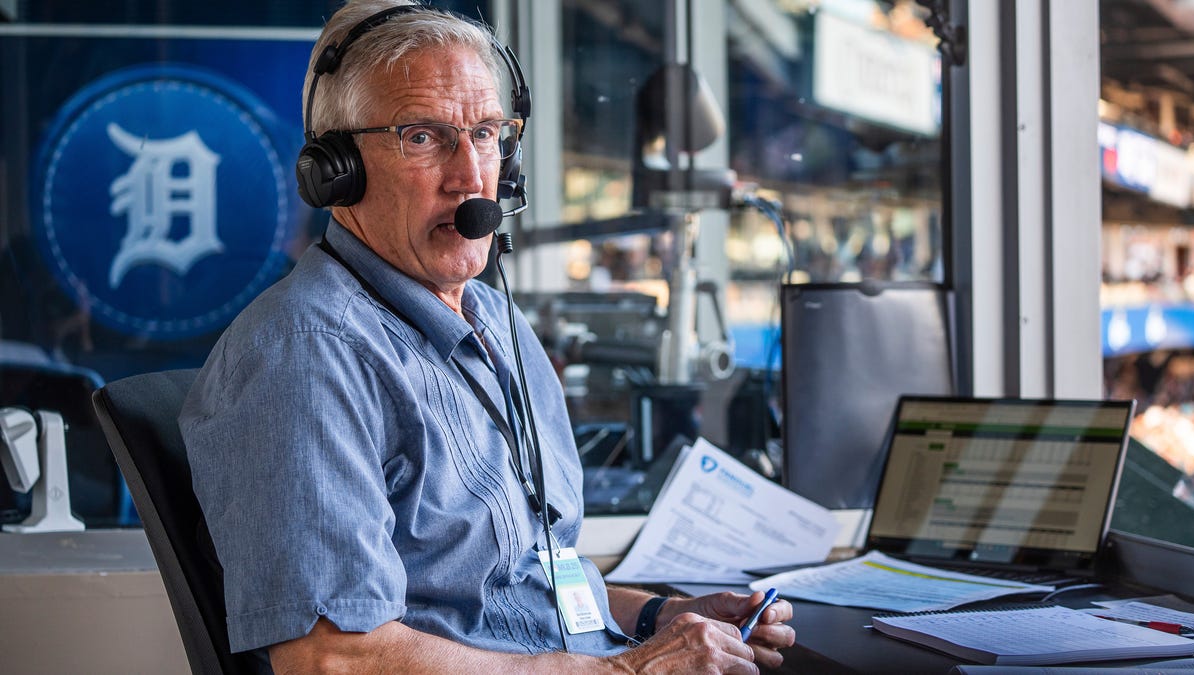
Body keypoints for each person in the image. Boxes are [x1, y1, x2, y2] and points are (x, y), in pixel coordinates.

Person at [179, 1, 795, 672]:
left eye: (485, 133)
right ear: (337, 169)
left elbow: (519, 584)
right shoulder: (307, 353)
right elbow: (334, 657)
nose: (472, 175)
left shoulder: (491, 316)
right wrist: (625, 670)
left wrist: (660, 616)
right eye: (423, 136)